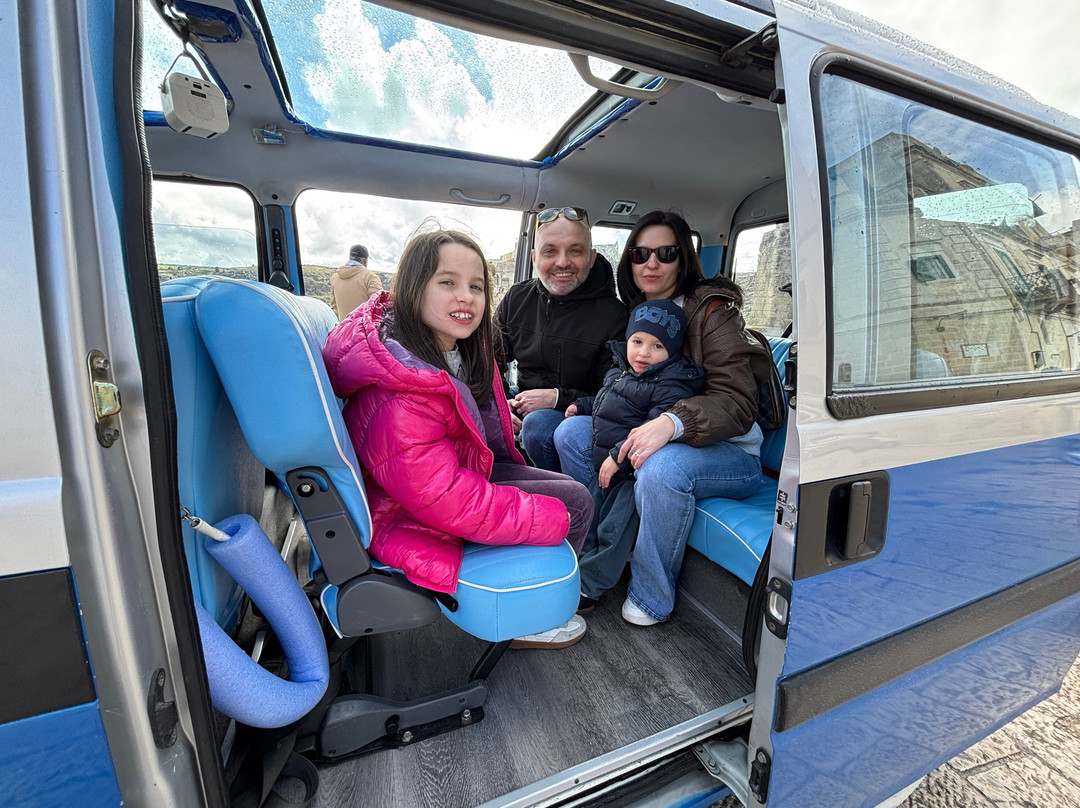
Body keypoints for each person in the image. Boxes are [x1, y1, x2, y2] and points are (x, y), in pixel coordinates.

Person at [323, 226, 593, 649]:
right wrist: (548, 519)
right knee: (571, 506)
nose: (465, 297)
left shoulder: (446, 350)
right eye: (447, 283)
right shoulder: (402, 390)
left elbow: (458, 420)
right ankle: (530, 617)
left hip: (450, 479)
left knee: (573, 494)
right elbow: (443, 500)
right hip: (412, 516)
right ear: (413, 289)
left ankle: (546, 593)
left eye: (476, 286)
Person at [554, 210, 774, 626]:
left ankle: (651, 595)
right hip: (664, 432)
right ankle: (601, 550)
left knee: (658, 466)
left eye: (666, 253)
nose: (651, 263)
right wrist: (580, 404)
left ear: (684, 259)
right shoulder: (637, 312)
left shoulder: (712, 313)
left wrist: (670, 423)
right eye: (640, 254)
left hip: (729, 451)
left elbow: (738, 403)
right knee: (571, 433)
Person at [567, 299, 704, 613]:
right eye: (637, 342)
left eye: (656, 345)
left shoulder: (672, 384)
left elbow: (650, 431)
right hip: (610, 467)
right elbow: (608, 402)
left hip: (632, 471)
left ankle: (590, 585)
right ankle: (575, 565)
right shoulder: (621, 373)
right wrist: (584, 406)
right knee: (589, 516)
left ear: (672, 350)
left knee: (614, 530)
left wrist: (618, 456)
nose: (643, 353)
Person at [495, 206, 628, 472]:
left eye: (575, 251)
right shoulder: (517, 299)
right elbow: (489, 361)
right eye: (550, 251)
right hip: (523, 401)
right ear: (534, 258)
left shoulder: (615, 317)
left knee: (537, 425)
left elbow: (617, 394)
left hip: (579, 414)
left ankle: (566, 499)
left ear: (591, 258)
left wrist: (557, 398)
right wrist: (496, 405)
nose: (562, 262)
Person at [330, 244, 384, 319]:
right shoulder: (370, 277)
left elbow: (334, 306)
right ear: (365, 261)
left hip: (344, 328)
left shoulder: (335, 278)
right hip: (364, 329)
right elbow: (379, 306)